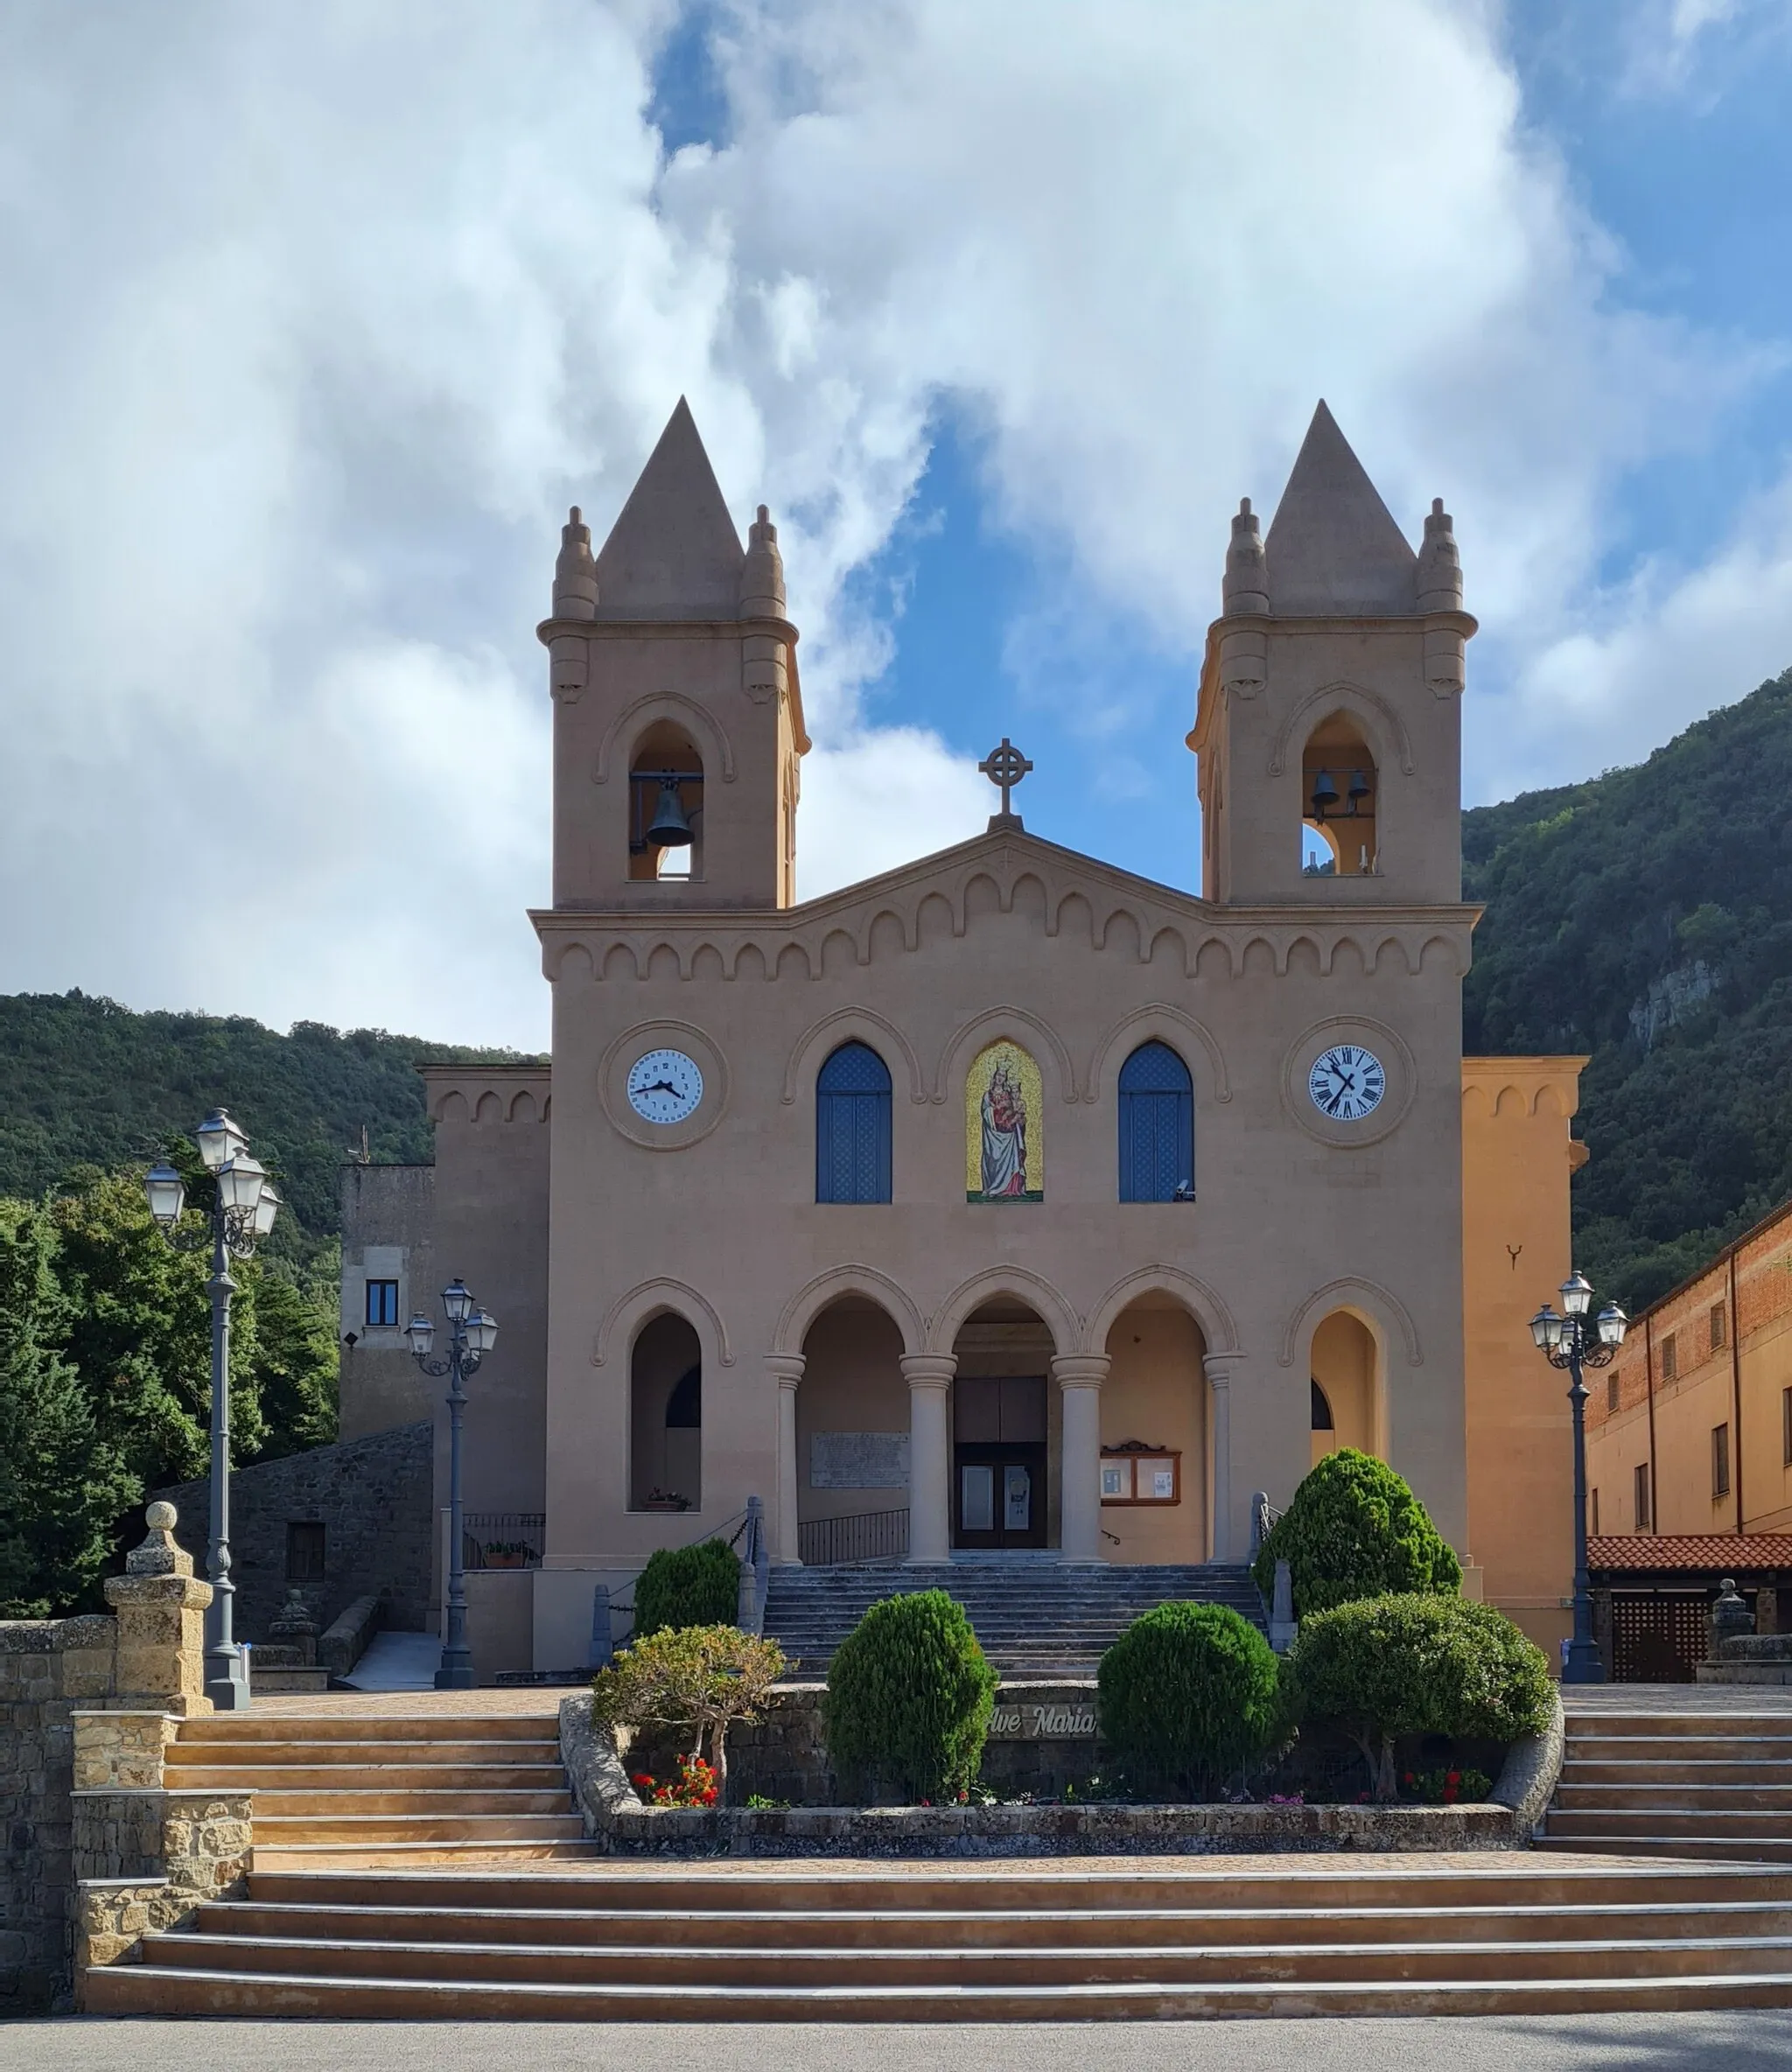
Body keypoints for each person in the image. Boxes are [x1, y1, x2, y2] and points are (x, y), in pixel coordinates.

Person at [980, 1061, 1028, 1198]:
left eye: (1003, 1076)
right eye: (999, 1075)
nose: (1000, 1078)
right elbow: (985, 1112)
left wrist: (1016, 1119)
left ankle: (1011, 1188)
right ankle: (991, 1187)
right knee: (992, 1158)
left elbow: (1015, 1110)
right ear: (995, 1077)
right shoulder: (987, 1095)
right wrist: (994, 1110)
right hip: (992, 1134)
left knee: (1011, 1160)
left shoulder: (1009, 1094)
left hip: (1009, 1134)